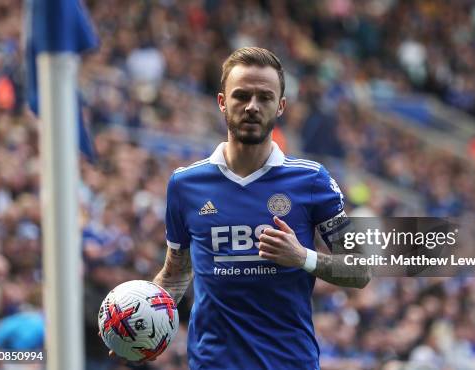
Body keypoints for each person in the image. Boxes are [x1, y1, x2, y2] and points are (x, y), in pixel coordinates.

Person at [153, 47, 370, 370]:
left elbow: (360, 270)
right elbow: (175, 275)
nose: (252, 106)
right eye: (241, 96)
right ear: (222, 102)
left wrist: (303, 258)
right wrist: (135, 323)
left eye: (265, 97)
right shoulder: (186, 185)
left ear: (280, 106)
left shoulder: (311, 180)